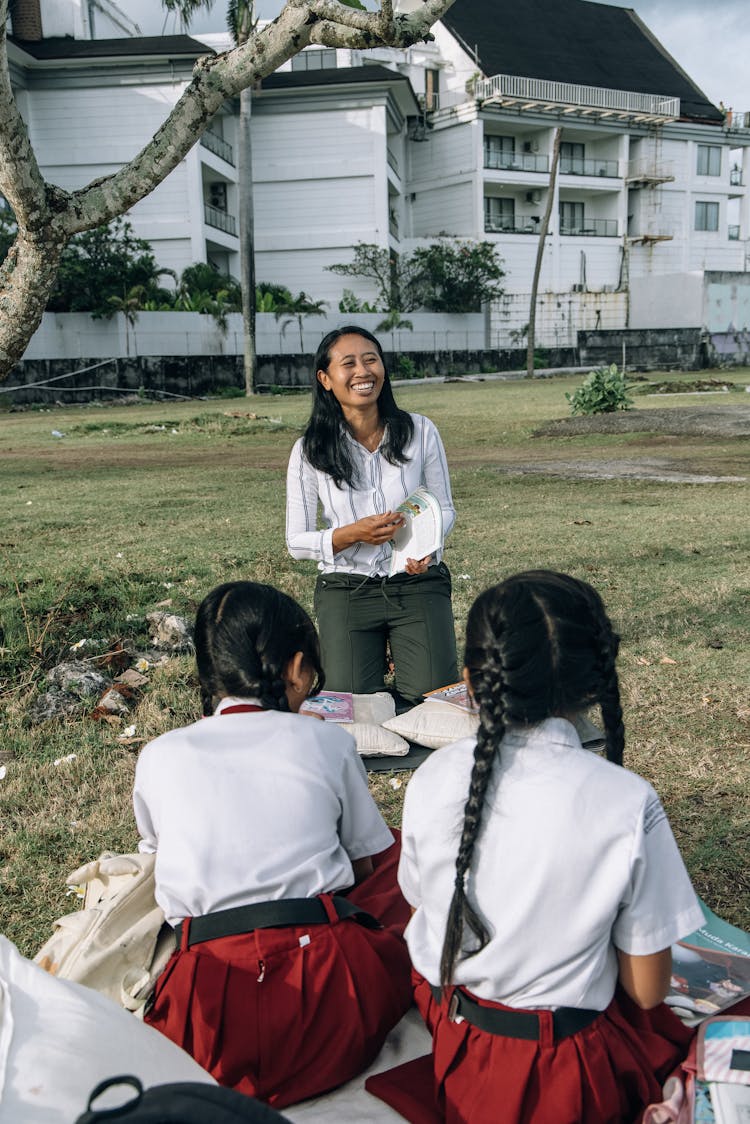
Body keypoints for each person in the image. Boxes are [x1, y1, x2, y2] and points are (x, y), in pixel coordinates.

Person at [367, 570, 706, 1124]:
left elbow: (416, 900)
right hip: (565, 1072)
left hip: (459, 1041)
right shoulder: (625, 800)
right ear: (595, 681)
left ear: (470, 682)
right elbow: (647, 992)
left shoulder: (434, 776)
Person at [134, 581, 412, 1110]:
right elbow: (367, 860)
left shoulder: (158, 755)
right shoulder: (328, 740)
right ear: (296, 666)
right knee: (401, 857)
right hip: (332, 1001)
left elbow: (156, 861)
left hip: (208, 1018)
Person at [286, 325, 457, 706]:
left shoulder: (420, 431)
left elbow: (444, 508)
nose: (363, 372)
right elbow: (296, 542)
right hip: (347, 588)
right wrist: (352, 534)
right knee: (352, 706)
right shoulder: (309, 449)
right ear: (326, 379)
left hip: (416, 582)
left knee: (435, 701)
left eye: (371, 360)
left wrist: (427, 550)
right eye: (349, 364)